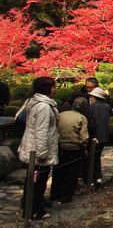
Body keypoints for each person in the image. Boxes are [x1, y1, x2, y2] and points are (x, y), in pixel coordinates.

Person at [17, 76, 59, 221]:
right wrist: (41, 153)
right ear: (47, 88)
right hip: (38, 152)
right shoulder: (43, 106)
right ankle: (33, 211)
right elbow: (41, 131)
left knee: (32, 182)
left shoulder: (33, 101)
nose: (56, 89)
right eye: (54, 87)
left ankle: (28, 207)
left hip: (32, 147)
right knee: (38, 184)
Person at [50, 97, 88, 204]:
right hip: (74, 148)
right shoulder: (82, 117)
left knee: (58, 172)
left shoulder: (61, 114)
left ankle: (54, 194)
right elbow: (84, 136)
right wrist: (85, 146)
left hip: (59, 147)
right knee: (71, 174)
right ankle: (66, 196)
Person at [88, 87, 111, 185]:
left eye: (91, 96)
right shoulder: (107, 107)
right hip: (104, 136)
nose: (90, 98)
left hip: (94, 136)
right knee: (97, 156)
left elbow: (90, 123)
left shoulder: (92, 107)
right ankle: (98, 177)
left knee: (91, 157)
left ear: (95, 97)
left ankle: (92, 178)